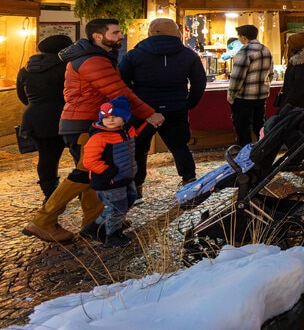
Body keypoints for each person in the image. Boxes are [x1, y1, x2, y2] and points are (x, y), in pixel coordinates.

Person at [23, 18, 163, 244]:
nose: (120, 36)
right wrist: (149, 113)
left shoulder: (97, 57)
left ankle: (94, 222)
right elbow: (119, 91)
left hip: (87, 121)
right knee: (82, 173)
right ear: (98, 36)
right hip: (82, 124)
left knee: (90, 175)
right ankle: (43, 220)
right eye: (116, 32)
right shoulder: (92, 60)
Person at [119, 17, 206, 194]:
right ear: (176, 33)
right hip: (176, 108)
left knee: (139, 148)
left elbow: (121, 81)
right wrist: (189, 103)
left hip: (143, 110)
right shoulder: (188, 54)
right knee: (180, 146)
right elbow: (199, 82)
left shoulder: (135, 54)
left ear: (150, 32)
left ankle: (137, 187)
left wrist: (134, 102)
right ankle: (189, 180)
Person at [81, 96, 143, 248]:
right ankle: (112, 236)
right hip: (109, 181)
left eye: (115, 117)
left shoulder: (127, 131)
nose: (110, 120)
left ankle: (94, 228)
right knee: (117, 207)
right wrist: (107, 172)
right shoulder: (100, 137)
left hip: (124, 177)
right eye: (106, 117)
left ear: (125, 118)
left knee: (130, 198)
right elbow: (89, 161)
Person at [17, 34, 73, 201]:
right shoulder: (67, 67)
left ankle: (50, 195)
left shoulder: (25, 70)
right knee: (81, 155)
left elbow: (22, 96)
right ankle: (84, 192)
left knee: (46, 157)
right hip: (65, 116)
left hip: (35, 118)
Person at [227, 24, 273, 146]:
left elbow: (237, 76)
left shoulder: (244, 51)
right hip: (262, 95)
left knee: (243, 127)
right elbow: (271, 73)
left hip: (244, 96)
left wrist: (231, 94)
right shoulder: (266, 49)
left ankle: (246, 153)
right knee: (260, 125)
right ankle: (263, 150)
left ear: (243, 37)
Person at [277, 32, 304, 119]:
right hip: (300, 101)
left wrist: (288, 103)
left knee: (295, 128)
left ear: (294, 46)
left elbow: (299, 85)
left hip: (297, 102)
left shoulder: (301, 62)